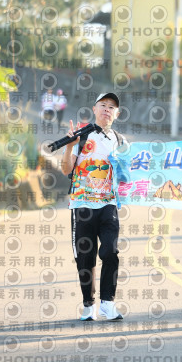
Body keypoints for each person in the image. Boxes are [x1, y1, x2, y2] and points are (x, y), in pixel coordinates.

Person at [61, 92, 128, 321]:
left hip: (108, 204)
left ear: (117, 114)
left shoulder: (121, 141)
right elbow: (66, 169)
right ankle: (89, 305)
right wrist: (69, 148)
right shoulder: (81, 136)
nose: (107, 109)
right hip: (82, 204)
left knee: (110, 251)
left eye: (112, 107)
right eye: (103, 105)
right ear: (94, 109)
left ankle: (108, 303)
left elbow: (129, 175)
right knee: (85, 257)